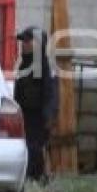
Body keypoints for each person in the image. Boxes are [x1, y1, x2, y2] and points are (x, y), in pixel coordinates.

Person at [13, 27, 58, 181]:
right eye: (23, 41)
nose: (23, 44)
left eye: (27, 41)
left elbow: (50, 93)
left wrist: (48, 116)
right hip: (23, 115)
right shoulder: (24, 65)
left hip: (38, 117)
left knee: (35, 149)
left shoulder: (44, 67)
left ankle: (37, 179)